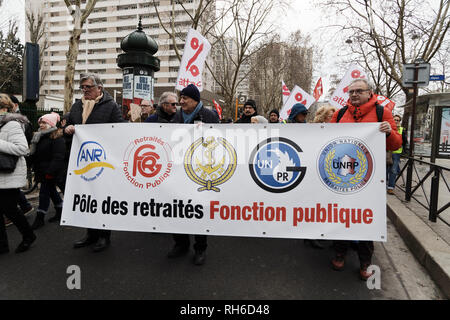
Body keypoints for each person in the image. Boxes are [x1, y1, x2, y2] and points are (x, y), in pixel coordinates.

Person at [330, 78, 402, 280]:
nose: (353, 94)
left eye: (358, 91)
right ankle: (340, 253)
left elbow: (396, 144)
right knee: (341, 216)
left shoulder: (382, 113)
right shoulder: (340, 113)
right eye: (351, 91)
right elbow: (325, 138)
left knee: (366, 219)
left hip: (370, 179)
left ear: (370, 93)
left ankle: (365, 261)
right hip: (341, 176)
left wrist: (389, 133)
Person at [65, 73, 124, 253]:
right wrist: (67, 128)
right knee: (87, 197)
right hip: (81, 161)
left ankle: (104, 236)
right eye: (82, 87)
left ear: (99, 88)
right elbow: (67, 125)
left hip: (102, 162)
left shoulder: (111, 106)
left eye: (88, 87)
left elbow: (120, 130)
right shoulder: (77, 105)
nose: (85, 90)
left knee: (102, 199)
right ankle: (90, 233)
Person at [170, 84, 219, 265]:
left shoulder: (209, 116)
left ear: (195, 100)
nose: (181, 101)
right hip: (178, 170)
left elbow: (219, 142)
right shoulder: (177, 116)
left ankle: (200, 248)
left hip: (200, 172)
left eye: (185, 98)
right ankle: (180, 244)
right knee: (176, 208)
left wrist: (205, 133)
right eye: (181, 98)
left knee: (198, 210)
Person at [0, 94, 36, 254]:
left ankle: (28, 235)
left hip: (9, 176)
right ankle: (2, 246)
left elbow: (23, 149)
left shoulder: (12, 125)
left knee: (10, 210)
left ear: (3, 107)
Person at [29, 112, 66, 229]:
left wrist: (50, 172)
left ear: (51, 124)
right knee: (51, 191)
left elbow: (58, 157)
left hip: (50, 172)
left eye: (44, 122)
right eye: (40, 122)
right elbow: (35, 154)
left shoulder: (57, 138)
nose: (41, 125)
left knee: (44, 193)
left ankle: (40, 217)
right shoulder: (39, 136)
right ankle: (60, 210)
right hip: (41, 170)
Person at [387, 115, 407, 195]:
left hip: (396, 153)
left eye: (398, 120)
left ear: (400, 121)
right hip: (387, 151)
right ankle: (384, 185)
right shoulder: (388, 127)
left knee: (393, 170)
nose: (396, 121)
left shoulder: (402, 130)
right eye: (394, 119)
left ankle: (391, 188)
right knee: (385, 169)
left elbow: (405, 142)